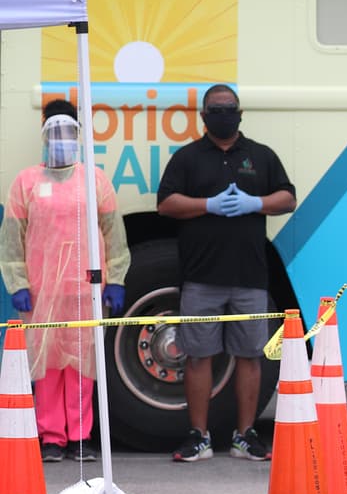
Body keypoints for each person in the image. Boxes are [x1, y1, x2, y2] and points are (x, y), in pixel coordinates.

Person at [157, 84, 296, 463]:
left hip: (250, 278)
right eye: (215, 109)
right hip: (201, 277)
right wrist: (208, 205)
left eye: (228, 108)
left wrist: (256, 202)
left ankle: (244, 436)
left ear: (240, 113)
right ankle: (198, 436)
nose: (223, 114)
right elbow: (166, 203)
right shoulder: (187, 158)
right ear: (204, 116)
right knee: (198, 357)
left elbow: (288, 197)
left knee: (250, 357)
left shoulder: (261, 156)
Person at [0, 99, 129, 464]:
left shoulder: (94, 179)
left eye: (67, 130)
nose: (61, 137)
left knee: (82, 364)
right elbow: (12, 238)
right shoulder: (26, 182)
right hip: (42, 291)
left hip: (84, 288)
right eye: (54, 130)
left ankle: (81, 436)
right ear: (43, 131)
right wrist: (17, 283)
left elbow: (113, 233)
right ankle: (52, 436)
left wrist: (115, 278)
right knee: (46, 362)